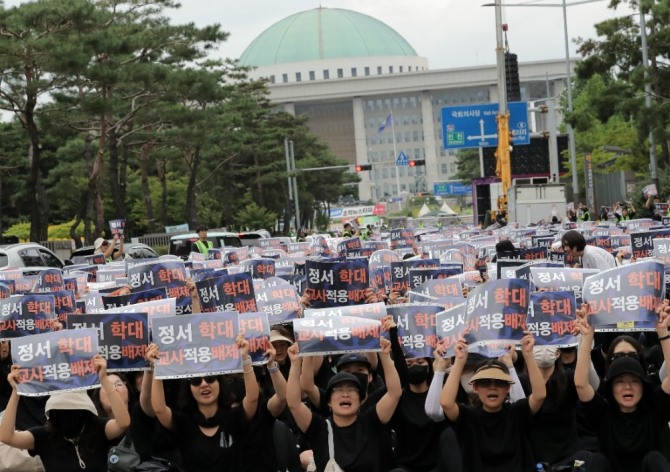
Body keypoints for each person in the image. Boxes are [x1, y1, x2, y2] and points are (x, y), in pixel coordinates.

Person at [574, 302, 670, 472]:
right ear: (610, 387)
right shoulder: (603, 414)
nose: (627, 387)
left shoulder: (655, 409)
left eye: (634, 381)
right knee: (596, 460)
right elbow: (581, 384)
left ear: (643, 384)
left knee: (654, 459)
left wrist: (663, 332)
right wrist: (587, 337)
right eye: (619, 381)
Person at [286, 339, 403, 472]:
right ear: (328, 401)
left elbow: (394, 393)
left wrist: (385, 355)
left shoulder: (371, 422)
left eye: (351, 389)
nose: (345, 394)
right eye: (338, 390)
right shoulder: (319, 428)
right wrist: (295, 363)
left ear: (361, 400)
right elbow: (294, 403)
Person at [147, 334, 259, 472]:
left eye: (210, 378)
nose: (204, 384)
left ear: (220, 383)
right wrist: (157, 367)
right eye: (196, 381)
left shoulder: (234, 417)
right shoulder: (183, 422)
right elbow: (159, 409)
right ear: (189, 390)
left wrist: (245, 359)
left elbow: (253, 398)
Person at [0, 355, 131, 471]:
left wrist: (104, 380)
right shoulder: (43, 436)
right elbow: (6, 437)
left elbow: (123, 422)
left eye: (75, 408)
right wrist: (16, 391)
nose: (69, 414)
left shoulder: (98, 428)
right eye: (62, 409)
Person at [440, 332, 547, 472]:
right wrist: (459, 361)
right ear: (475, 387)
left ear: (508, 387)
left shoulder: (517, 412)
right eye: (484, 382)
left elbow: (539, 395)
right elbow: (446, 403)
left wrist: (528, 355)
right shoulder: (468, 416)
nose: (492, 387)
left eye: (499, 382)